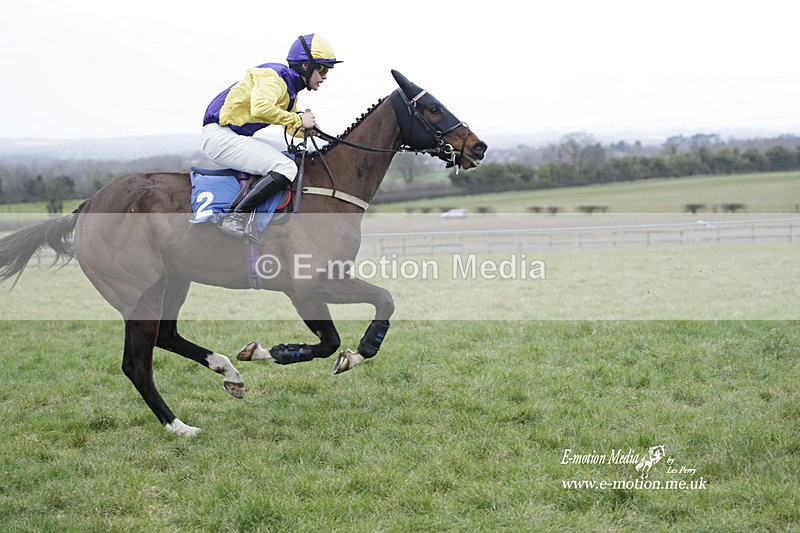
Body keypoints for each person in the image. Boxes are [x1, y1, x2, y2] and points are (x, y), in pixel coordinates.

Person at [201, 34, 342, 239]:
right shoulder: (274, 77)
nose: (325, 76)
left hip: (232, 135)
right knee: (285, 167)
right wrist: (298, 120)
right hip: (219, 135)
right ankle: (235, 218)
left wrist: (306, 130)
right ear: (304, 65)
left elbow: (289, 126)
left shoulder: (291, 90)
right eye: (322, 68)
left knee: (287, 159)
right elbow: (261, 108)